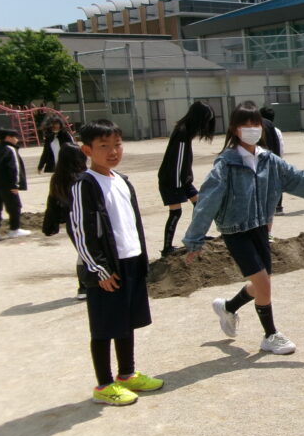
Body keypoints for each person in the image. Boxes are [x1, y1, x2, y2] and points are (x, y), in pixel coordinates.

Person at [183, 101, 304, 355]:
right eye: (245, 124)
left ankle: (228, 307)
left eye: (255, 123)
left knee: (261, 284)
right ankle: (270, 335)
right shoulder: (226, 164)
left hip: (261, 228)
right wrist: (194, 240)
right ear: (234, 129)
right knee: (263, 284)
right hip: (235, 231)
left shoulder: (269, 160)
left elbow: (300, 180)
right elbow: (207, 202)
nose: (251, 128)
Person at [69, 119, 163, 406]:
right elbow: (80, 232)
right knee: (103, 326)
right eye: (104, 146)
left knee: (126, 322)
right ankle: (104, 385)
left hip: (130, 262)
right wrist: (99, 269)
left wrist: (142, 260)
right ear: (87, 150)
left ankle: (126, 374)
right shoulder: (84, 184)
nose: (113, 151)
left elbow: (132, 223)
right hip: (106, 269)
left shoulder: (122, 180)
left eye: (117, 145)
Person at [157, 101, 215, 257]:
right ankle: (167, 248)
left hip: (183, 180)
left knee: (200, 205)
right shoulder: (182, 133)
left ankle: (197, 235)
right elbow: (177, 161)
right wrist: (177, 186)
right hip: (172, 180)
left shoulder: (186, 131)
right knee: (176, 212)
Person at [42, 142, 89, 299]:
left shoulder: (57, 178)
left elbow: (52, 203)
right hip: (87, 221)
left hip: (72, 223)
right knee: (89, 253)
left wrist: (50, 225)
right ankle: (86, 286)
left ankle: (83, 288)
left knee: (82, 254)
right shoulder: (83, 177)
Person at [0, 128, 30, 240]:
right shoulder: (10, 149)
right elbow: (14, 168)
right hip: (7, 184)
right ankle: (14, 229)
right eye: (15, 137)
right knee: (15, 206)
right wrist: (15, 185)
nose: (17, 139)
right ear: (8, 138)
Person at [260, 106, 285, 215]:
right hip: (276, 158)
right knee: (276, 183)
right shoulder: (276, 130)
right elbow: (281, 145)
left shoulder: (260, 129)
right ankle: (278, 207)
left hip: (264, 160)